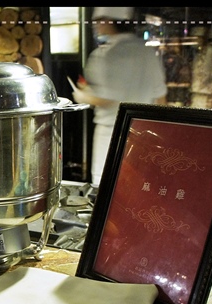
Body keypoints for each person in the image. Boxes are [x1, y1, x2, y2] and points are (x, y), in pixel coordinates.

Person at [72, 7, 167, 186]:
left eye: (98, 21)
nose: (96, 25)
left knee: (106, 187)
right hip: (142, 133)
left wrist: (82, 96)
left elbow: (108, 100)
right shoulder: (147, 52)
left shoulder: (105, 54)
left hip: (110, 134)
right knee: (138, 187)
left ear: (108, 21)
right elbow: (161, 97)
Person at [189, 26, 212, 109]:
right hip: (196, 93)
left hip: (207, 95)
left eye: (199, 37)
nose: (197, 40)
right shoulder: (198, 54)